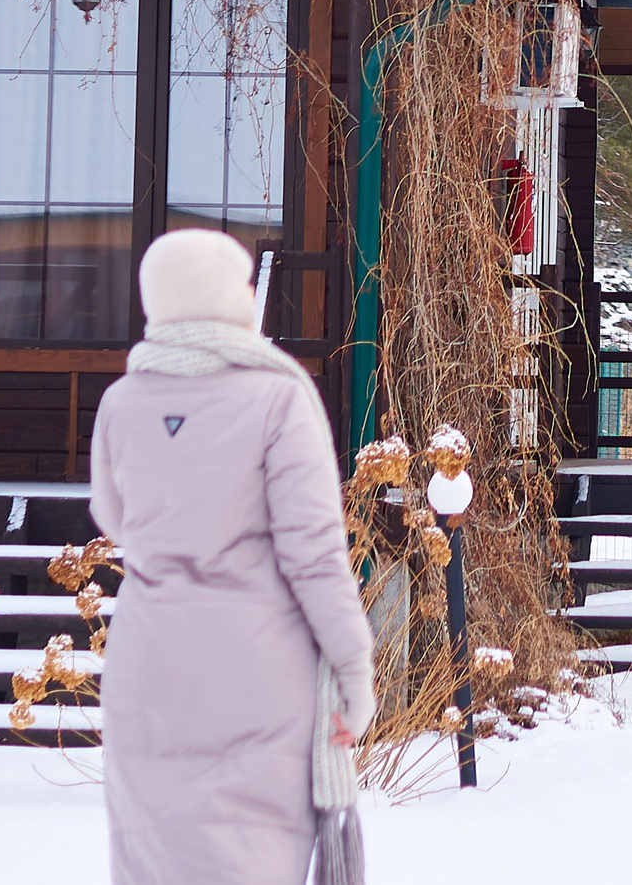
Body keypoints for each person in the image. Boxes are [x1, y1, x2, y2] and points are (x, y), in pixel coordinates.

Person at [91, 228, 377, 884]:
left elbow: (113, 517)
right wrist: (354, 668)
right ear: (228, 298)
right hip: (256, 671)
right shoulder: (277, 396)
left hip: (145, 666)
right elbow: (314, 556)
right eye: (245, 284)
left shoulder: (121, 401)